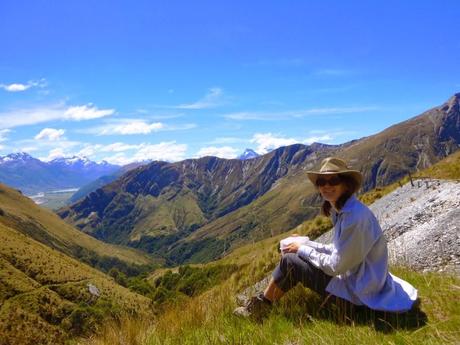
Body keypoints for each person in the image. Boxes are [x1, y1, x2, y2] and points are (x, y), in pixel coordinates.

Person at [234, 157, 418, 320]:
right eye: (322, 181)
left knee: (291, 261)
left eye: (333, 180)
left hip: (359, 297)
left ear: (346, 184)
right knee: (295, 252)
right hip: (362, 284)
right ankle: (261, 300)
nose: (326, 186)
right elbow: (339, 251)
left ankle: (258, 309)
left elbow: (336, 266)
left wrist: (301, 249)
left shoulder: (354, 218)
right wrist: (305, 244)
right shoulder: (345, 211)